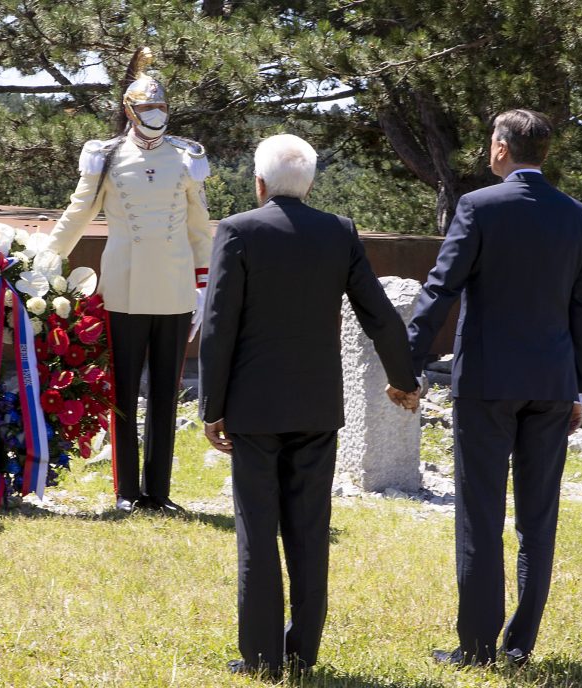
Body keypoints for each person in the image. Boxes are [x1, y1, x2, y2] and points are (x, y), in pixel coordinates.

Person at [200, 134, 419, 678]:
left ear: (259, 183)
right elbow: (380, 314)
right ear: (311, 183)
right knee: (308, 531)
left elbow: (217, 326)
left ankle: (260, 657)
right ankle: (303, 652)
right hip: (318, 406)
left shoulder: (238, 231)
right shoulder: (339, 232)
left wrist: (211, 405)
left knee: (258, 531)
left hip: (253, 408)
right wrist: (403, 379)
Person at [395, 109, 582, 666]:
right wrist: (580, 388)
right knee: (539, 517)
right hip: (553, 383)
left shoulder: (478, 207)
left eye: (490, 143)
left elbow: (441, 287)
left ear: (502, 149)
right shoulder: (576, 216)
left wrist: (406, 362)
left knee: (480, 512)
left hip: (488, 381)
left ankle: (478, 647)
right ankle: (521, 645)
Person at [48, 48, 212, 514]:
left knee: (166, 392)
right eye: (146, 108)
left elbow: (200, 227)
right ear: (129, 111)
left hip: (176, 290)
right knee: (122, 393)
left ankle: (158, 491)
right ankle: (126, 491)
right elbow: (78, 212)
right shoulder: (106, 155)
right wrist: (44, 260)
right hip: (123, 289)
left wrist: (204, 284)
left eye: (161, 108)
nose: (155, 116)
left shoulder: (186, 158)